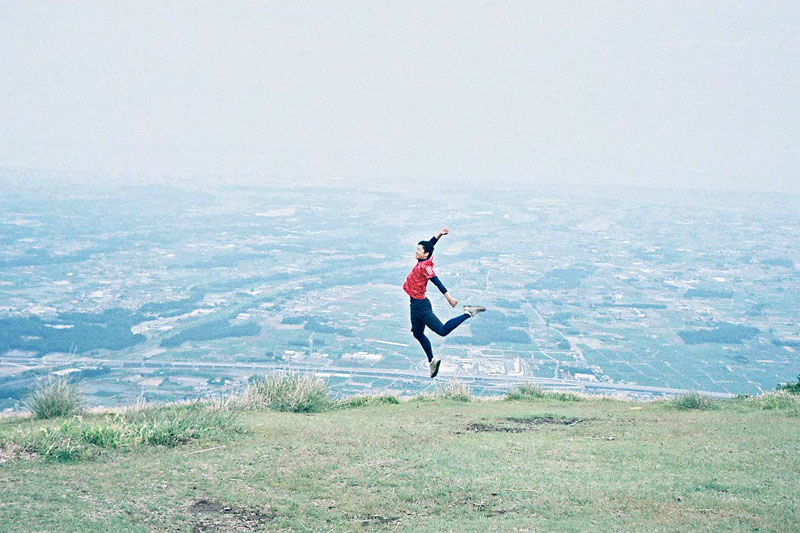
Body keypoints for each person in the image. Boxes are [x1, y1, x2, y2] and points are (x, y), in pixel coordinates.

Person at [403, 227, 485, 378]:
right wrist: (439, 235)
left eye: (418, 250)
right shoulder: (423, 259)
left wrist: (449, 298)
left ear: (425, 254)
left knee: (442, 330)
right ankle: (432, 361)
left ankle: (468, 312)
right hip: (414, 305)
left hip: (421, 306)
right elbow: (430, 244)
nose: (416, 252)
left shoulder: (425, 266)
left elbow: (436, 281)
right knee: (417, 333)